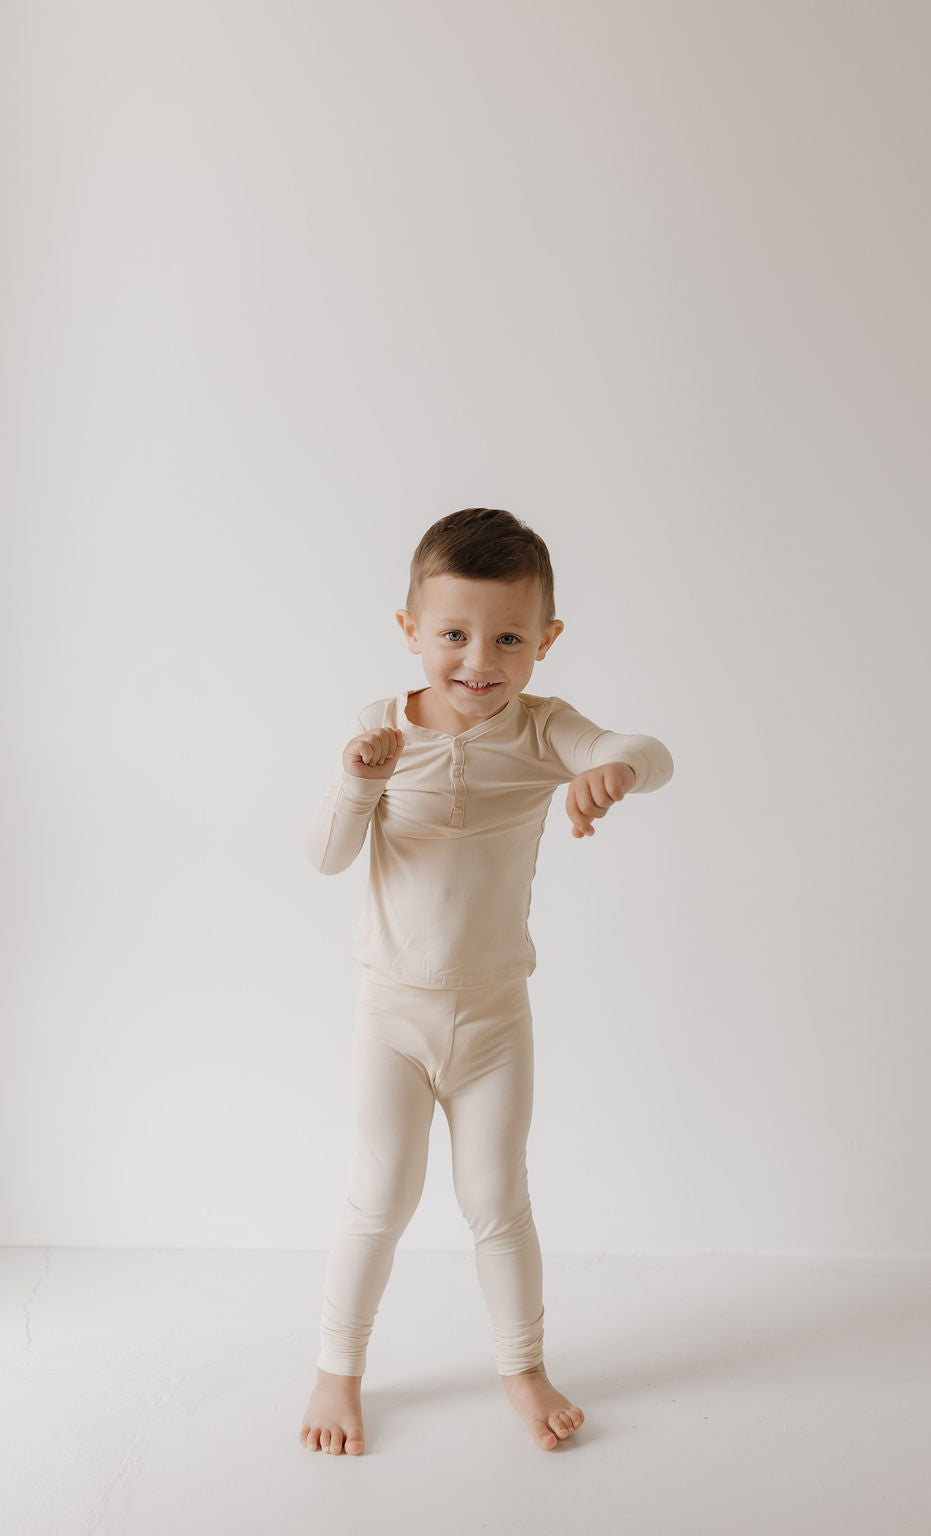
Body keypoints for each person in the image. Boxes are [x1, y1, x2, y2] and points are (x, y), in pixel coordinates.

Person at [299, 507, 674, 1455]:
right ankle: (336, 1372)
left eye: (509, 637)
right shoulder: (379, 730)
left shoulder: (547, 731)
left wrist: (613, 773)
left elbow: (648, 751)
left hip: (496, 1018)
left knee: (497, 1198)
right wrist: (357, 780)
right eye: (454, 635)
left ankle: (523, 1366)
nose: (479, 660)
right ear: (410, 633)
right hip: (393, 1013)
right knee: (378, 1199)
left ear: (546, 642)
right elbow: (327, 857)